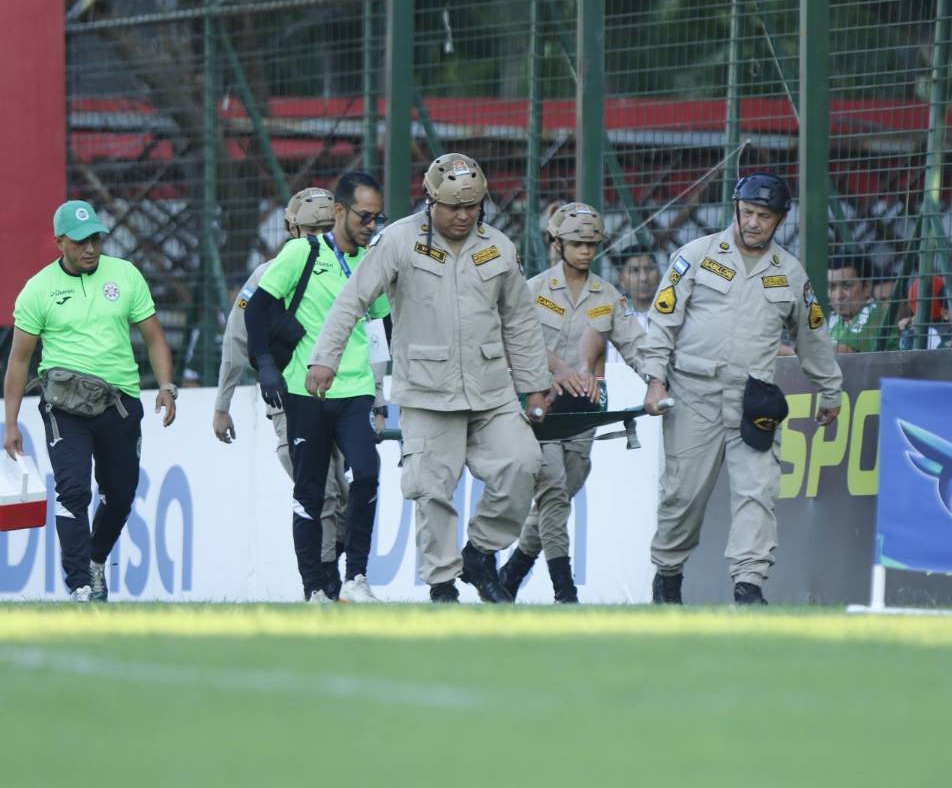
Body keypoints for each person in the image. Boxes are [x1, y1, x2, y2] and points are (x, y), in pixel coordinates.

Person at [307, 153, 551, 603]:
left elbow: (519, 320)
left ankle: (479, 551)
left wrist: (535, 385)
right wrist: (325, 359)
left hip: (491, 389)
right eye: (454, 207)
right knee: (433, 490)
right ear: (430, 200)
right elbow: (352, 301)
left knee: (523, 463)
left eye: (473, 206)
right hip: (426, 391)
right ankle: (443, 587)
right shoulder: (396, 241)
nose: (463, 216)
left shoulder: (499, 246)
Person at [640, 173, 843, 605]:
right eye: (747, 212)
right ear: (735, 208)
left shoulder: (789, 273)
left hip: (753, 399)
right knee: (683, 496)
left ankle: (748, 586)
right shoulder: (695, 255)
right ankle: (668, 576)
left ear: (780, 219)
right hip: (692, 393)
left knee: (758, 491)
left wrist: (830, 390)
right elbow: (663, 319)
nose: (753, 223)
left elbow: (813, 335)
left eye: (763, 216)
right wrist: (655, 379)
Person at [213, 187, 387, 601]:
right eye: (310, 228)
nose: (317, 234)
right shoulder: (271, 274)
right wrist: (223, 404)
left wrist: (378, 395)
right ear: (292, 228)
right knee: (320, 492)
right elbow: (237, 341)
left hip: (350, 393)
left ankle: (335, 574)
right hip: (291, 398)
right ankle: (322, 585)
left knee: (349, 491)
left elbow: (376, 333)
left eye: (326, 227)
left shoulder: (361, 264)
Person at [3, 200, 177, 602]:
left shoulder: (126, 275)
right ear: (59, 241)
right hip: (64, 408)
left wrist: (167, 387)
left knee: (120, 494)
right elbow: (19, 359)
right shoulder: (38, 289)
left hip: (119, 404)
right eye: (80, 241)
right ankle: (80, 583)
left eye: (96, 239)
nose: (91, 248)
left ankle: (97, 559)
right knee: (73, 492)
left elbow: (154, 337)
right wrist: (11, 423)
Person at [497, 203, 646, 603]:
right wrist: (559, 369)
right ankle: (565, 591)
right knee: (553, 490)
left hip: (585, 414)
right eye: (577, 243)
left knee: (561, 493)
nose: (585, 251)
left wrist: (656, 381)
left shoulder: (610, 296)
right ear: (557, 243)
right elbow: (517, 342)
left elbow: (636, 345)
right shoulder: (533, 290)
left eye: (591, 244)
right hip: (540, 409)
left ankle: (511, 576)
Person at [827, 255, 896, 353]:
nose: (838, 296)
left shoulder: (875, 315)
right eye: (832, 287)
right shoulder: (836, 319)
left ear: (867, 287)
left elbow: (842, 353)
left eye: (846, 286)